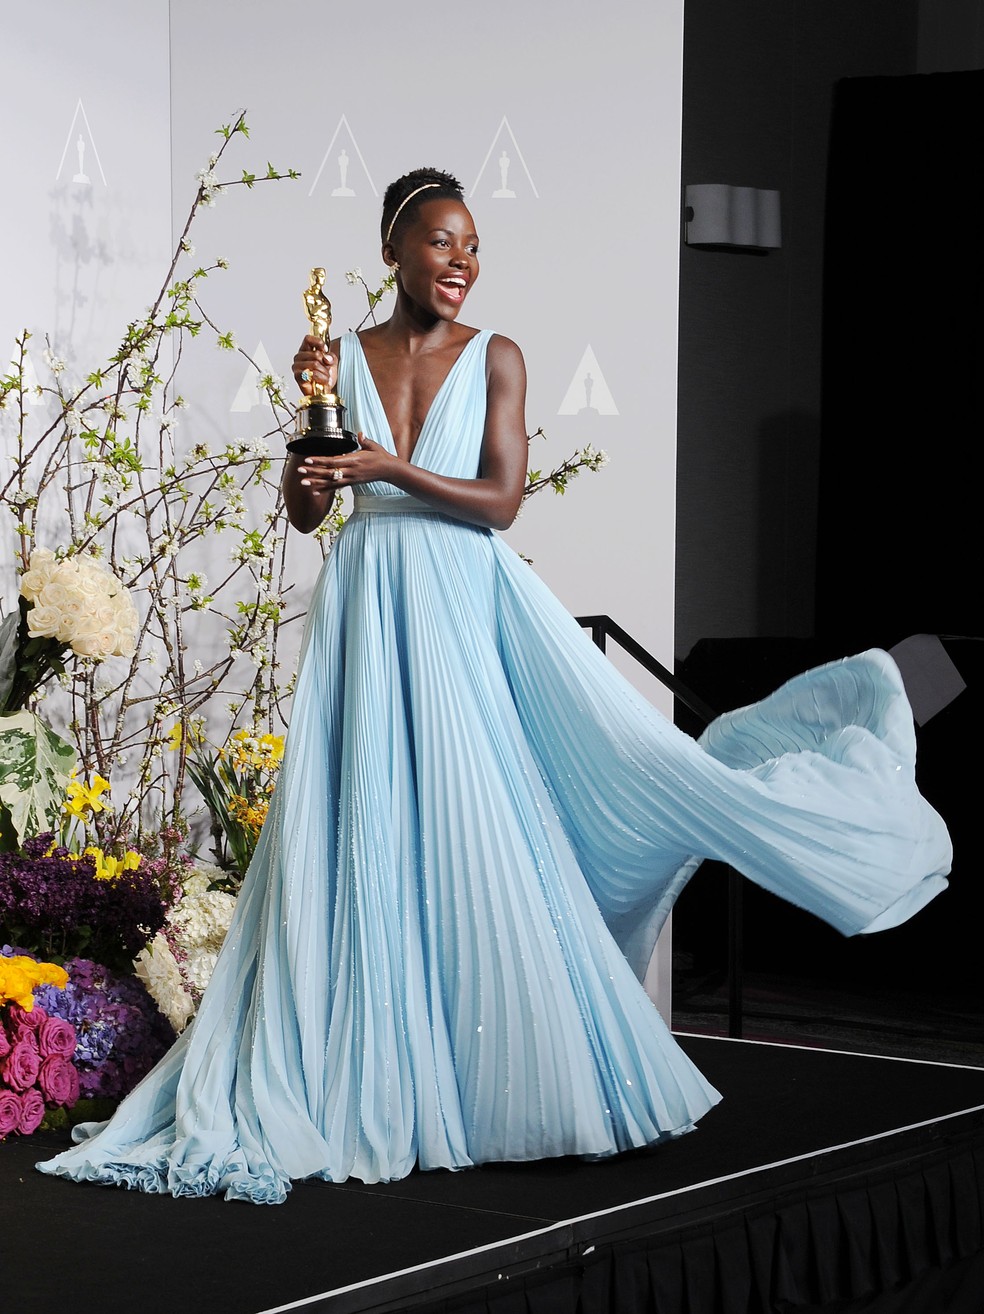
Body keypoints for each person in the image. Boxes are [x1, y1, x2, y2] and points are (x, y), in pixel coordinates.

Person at [37, 168, 951, 1204]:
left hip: (458, 602)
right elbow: (306, 510)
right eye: (441, 242)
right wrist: (314, 417)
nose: (462, 261)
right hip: (367, 603)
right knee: (365, 825)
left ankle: (499, 1088)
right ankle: (371, 1074)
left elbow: (502, 502)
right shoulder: (341, 355)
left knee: (475, 821)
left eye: (472, 244)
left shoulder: (497, 356)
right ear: (393, 250)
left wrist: (387, 466)